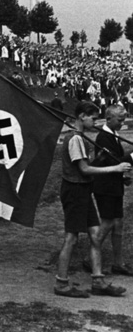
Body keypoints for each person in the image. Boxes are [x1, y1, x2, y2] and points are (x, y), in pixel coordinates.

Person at [54, 101, 130, 298]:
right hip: (74, 190)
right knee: (71, 238)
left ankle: (98, 280)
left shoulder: (80, 138)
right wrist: (115, 168)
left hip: (83, 190)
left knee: (95, 234)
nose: (95, 122)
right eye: (93, 118)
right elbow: (84, 169)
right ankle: (61, 283)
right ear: (82, 116)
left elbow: (87, 169)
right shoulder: (74, 139)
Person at [88, 105, 133, 276]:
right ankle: (90, 258)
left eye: (123, 120)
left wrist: (123, 177)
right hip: (105, 187)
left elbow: (114, 165)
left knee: (118, 223)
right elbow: (113, 162)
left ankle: (118, 263)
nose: (122, 123)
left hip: (114, 185)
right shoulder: (103, 138)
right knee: (107, 222)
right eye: (119, 120)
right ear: (108, 119)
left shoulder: (113, 135)